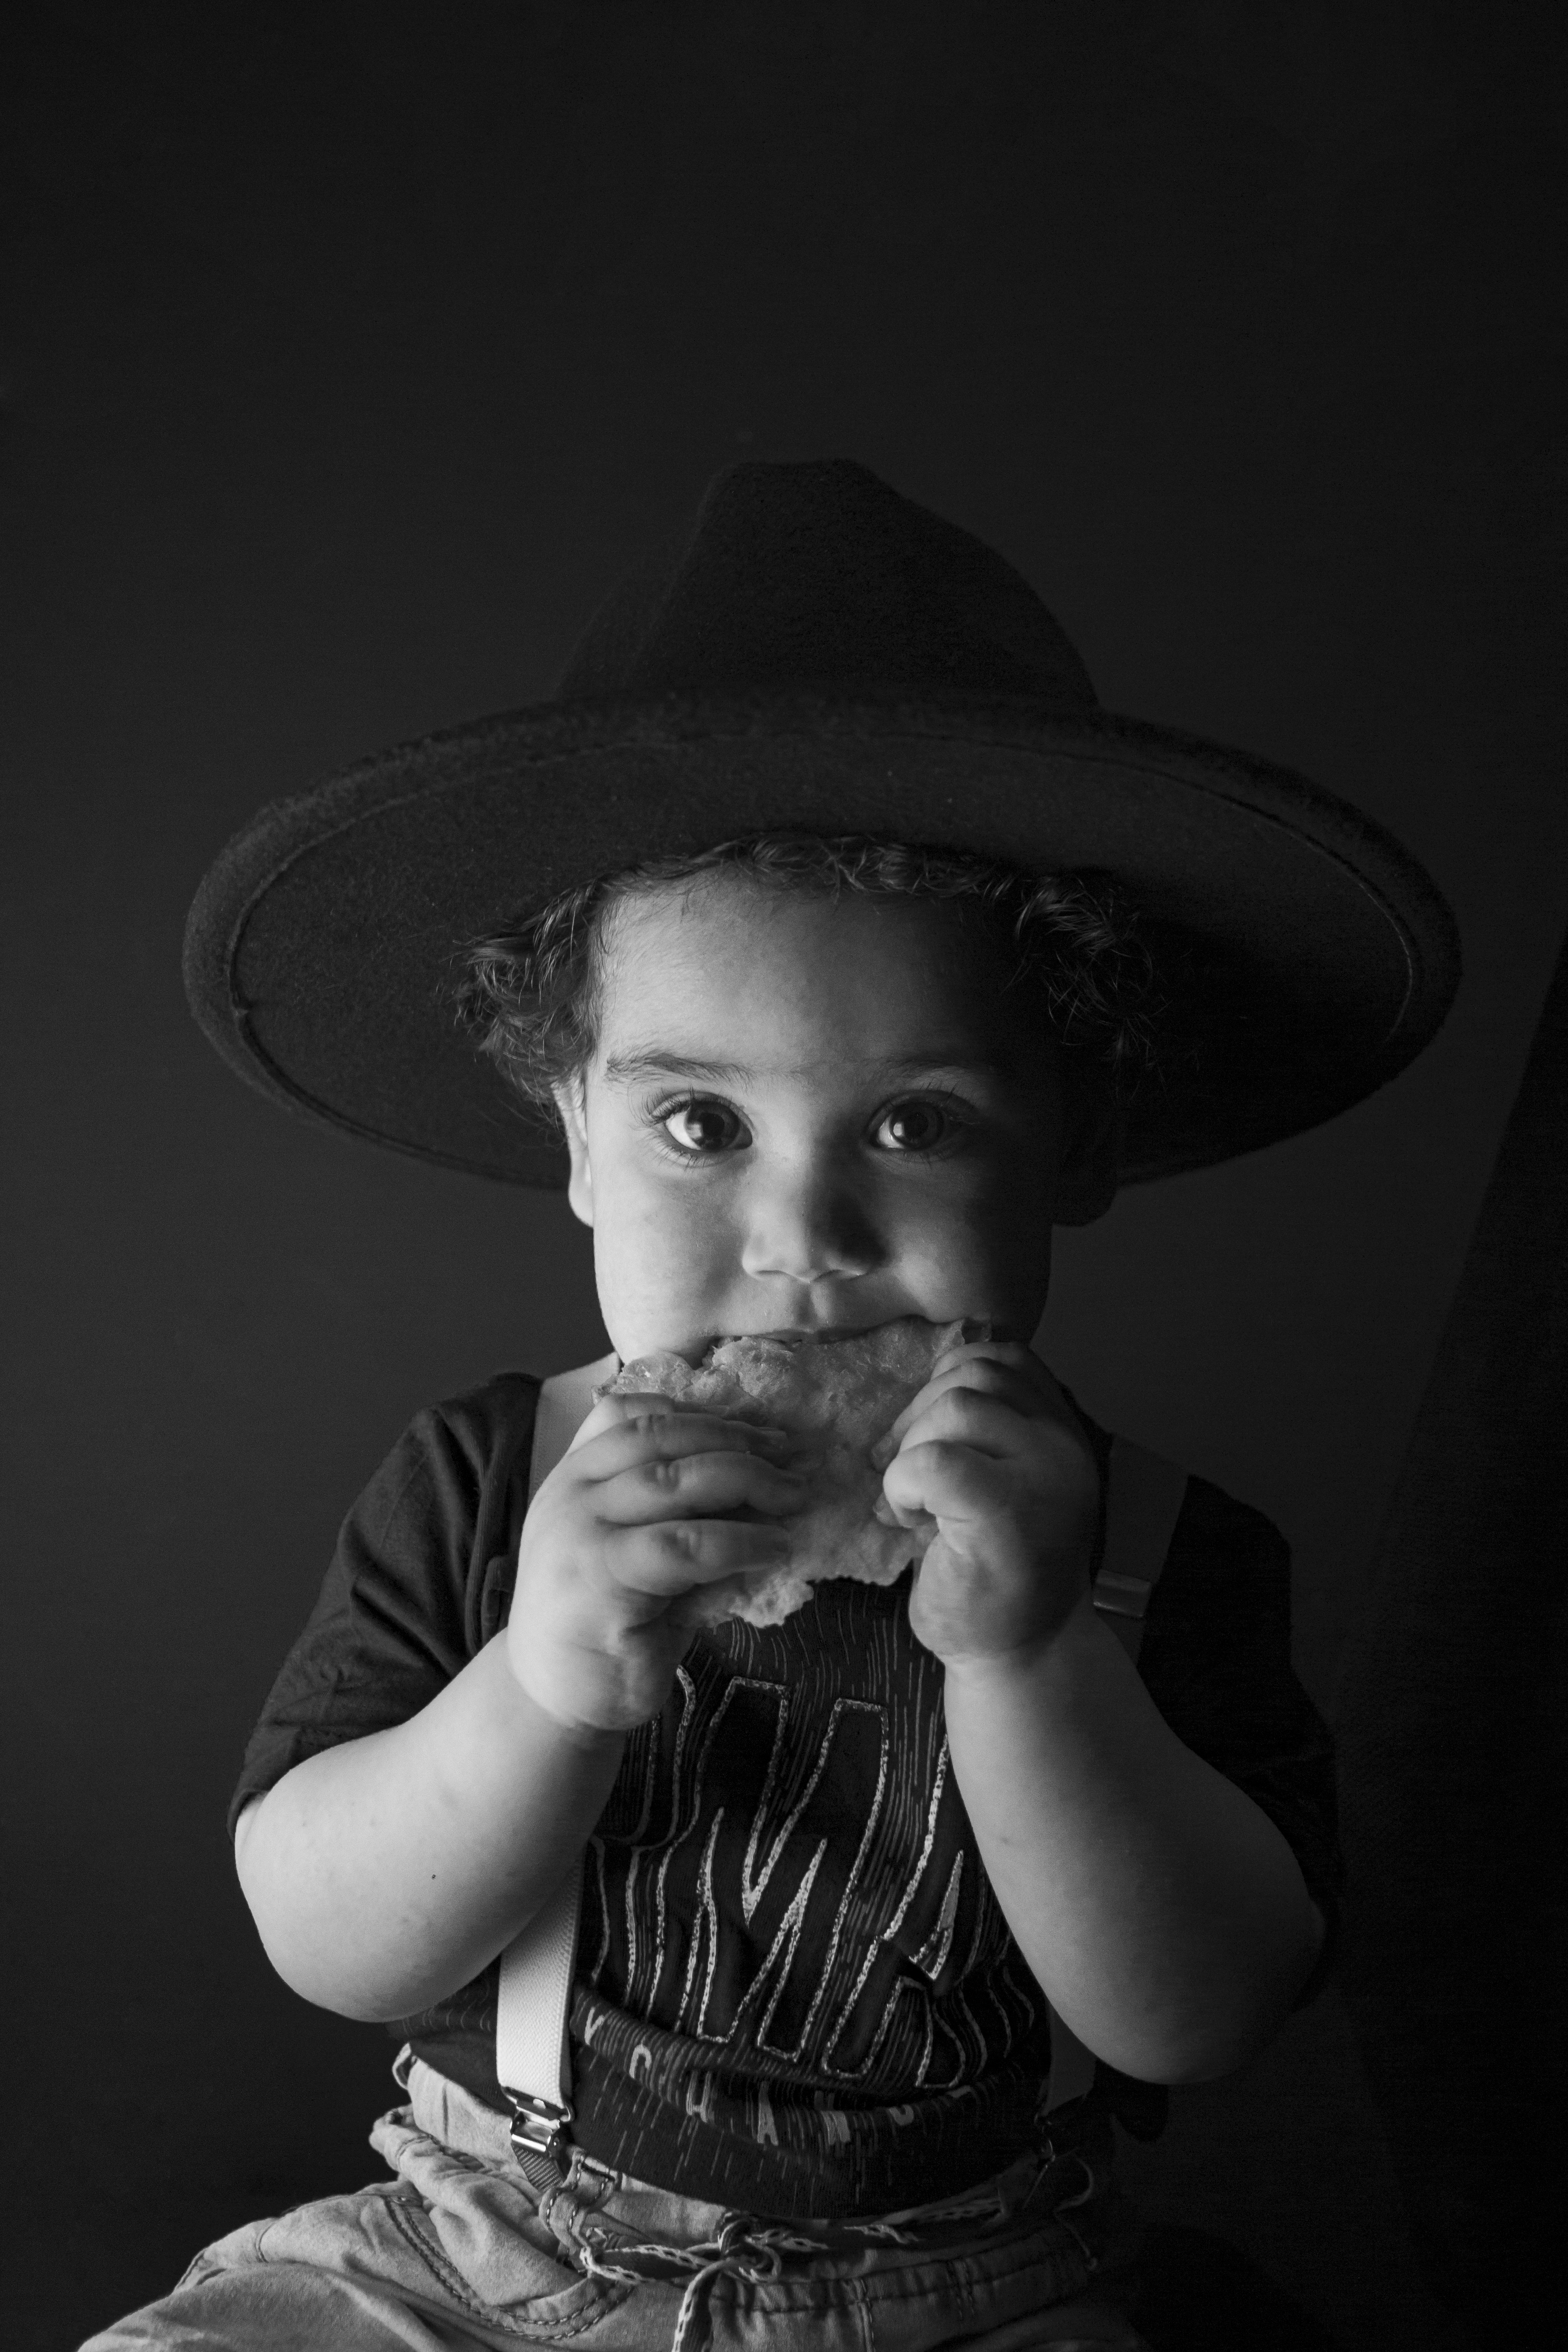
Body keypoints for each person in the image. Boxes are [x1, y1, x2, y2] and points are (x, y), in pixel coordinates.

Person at [87, 461, 1459, 2350]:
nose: (800, 1236)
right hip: (499, 2248)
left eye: (914, 1123)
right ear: (572, 1137)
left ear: (1076, 1146)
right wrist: (544, 1682)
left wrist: (1036, 1659)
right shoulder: (489, 1486)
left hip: (975, 2276)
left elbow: (1201, 2014)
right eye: (696, 1123)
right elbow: (336, 1944)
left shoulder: (1157, 1552)